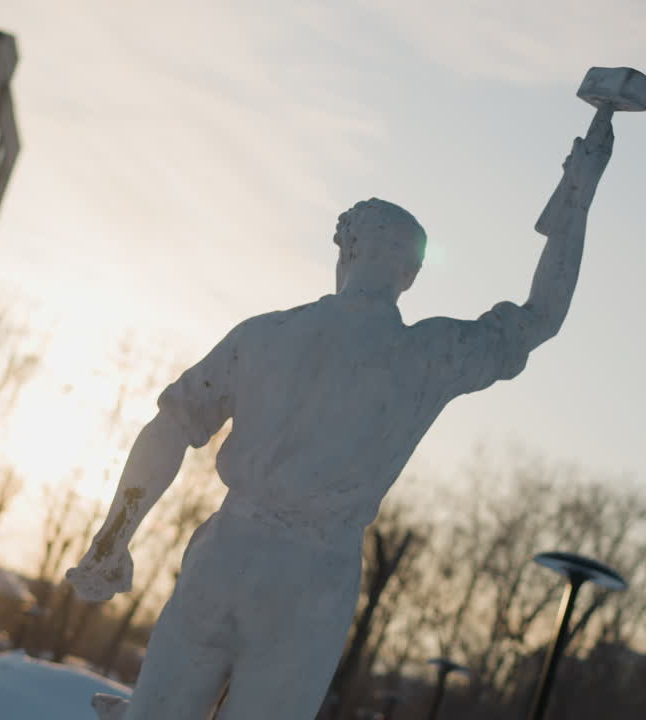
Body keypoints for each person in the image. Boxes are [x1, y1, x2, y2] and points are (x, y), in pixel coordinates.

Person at [66, 121, 614, 719]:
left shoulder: (264, 335)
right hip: (312, 579)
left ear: (346, 252)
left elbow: (169, 427)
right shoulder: (429, 355)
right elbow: (542, 316)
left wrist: (115, 534)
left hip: (226, 553)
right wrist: (578, 196)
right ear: (409, 275)